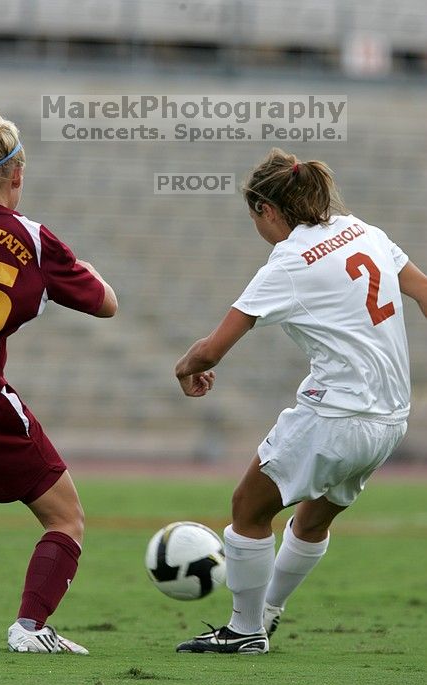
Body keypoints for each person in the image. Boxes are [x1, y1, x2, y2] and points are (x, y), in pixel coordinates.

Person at [174, 147, 427, 655]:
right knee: (312, 520)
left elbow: (214, 348)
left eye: (254, 219)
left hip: (335, 414)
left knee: (247, 507)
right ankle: (265, 612)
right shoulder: (365, 232)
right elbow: (423, 290)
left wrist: (187, 368)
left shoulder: (289, 260)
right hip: (390, 419)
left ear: (267, 210)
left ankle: (245, 629)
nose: (258, 229)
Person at [0, 96, 117, 654]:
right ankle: (29, 629)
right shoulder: (32, 239)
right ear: (18, 174)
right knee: (65, 518)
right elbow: (105, 303)